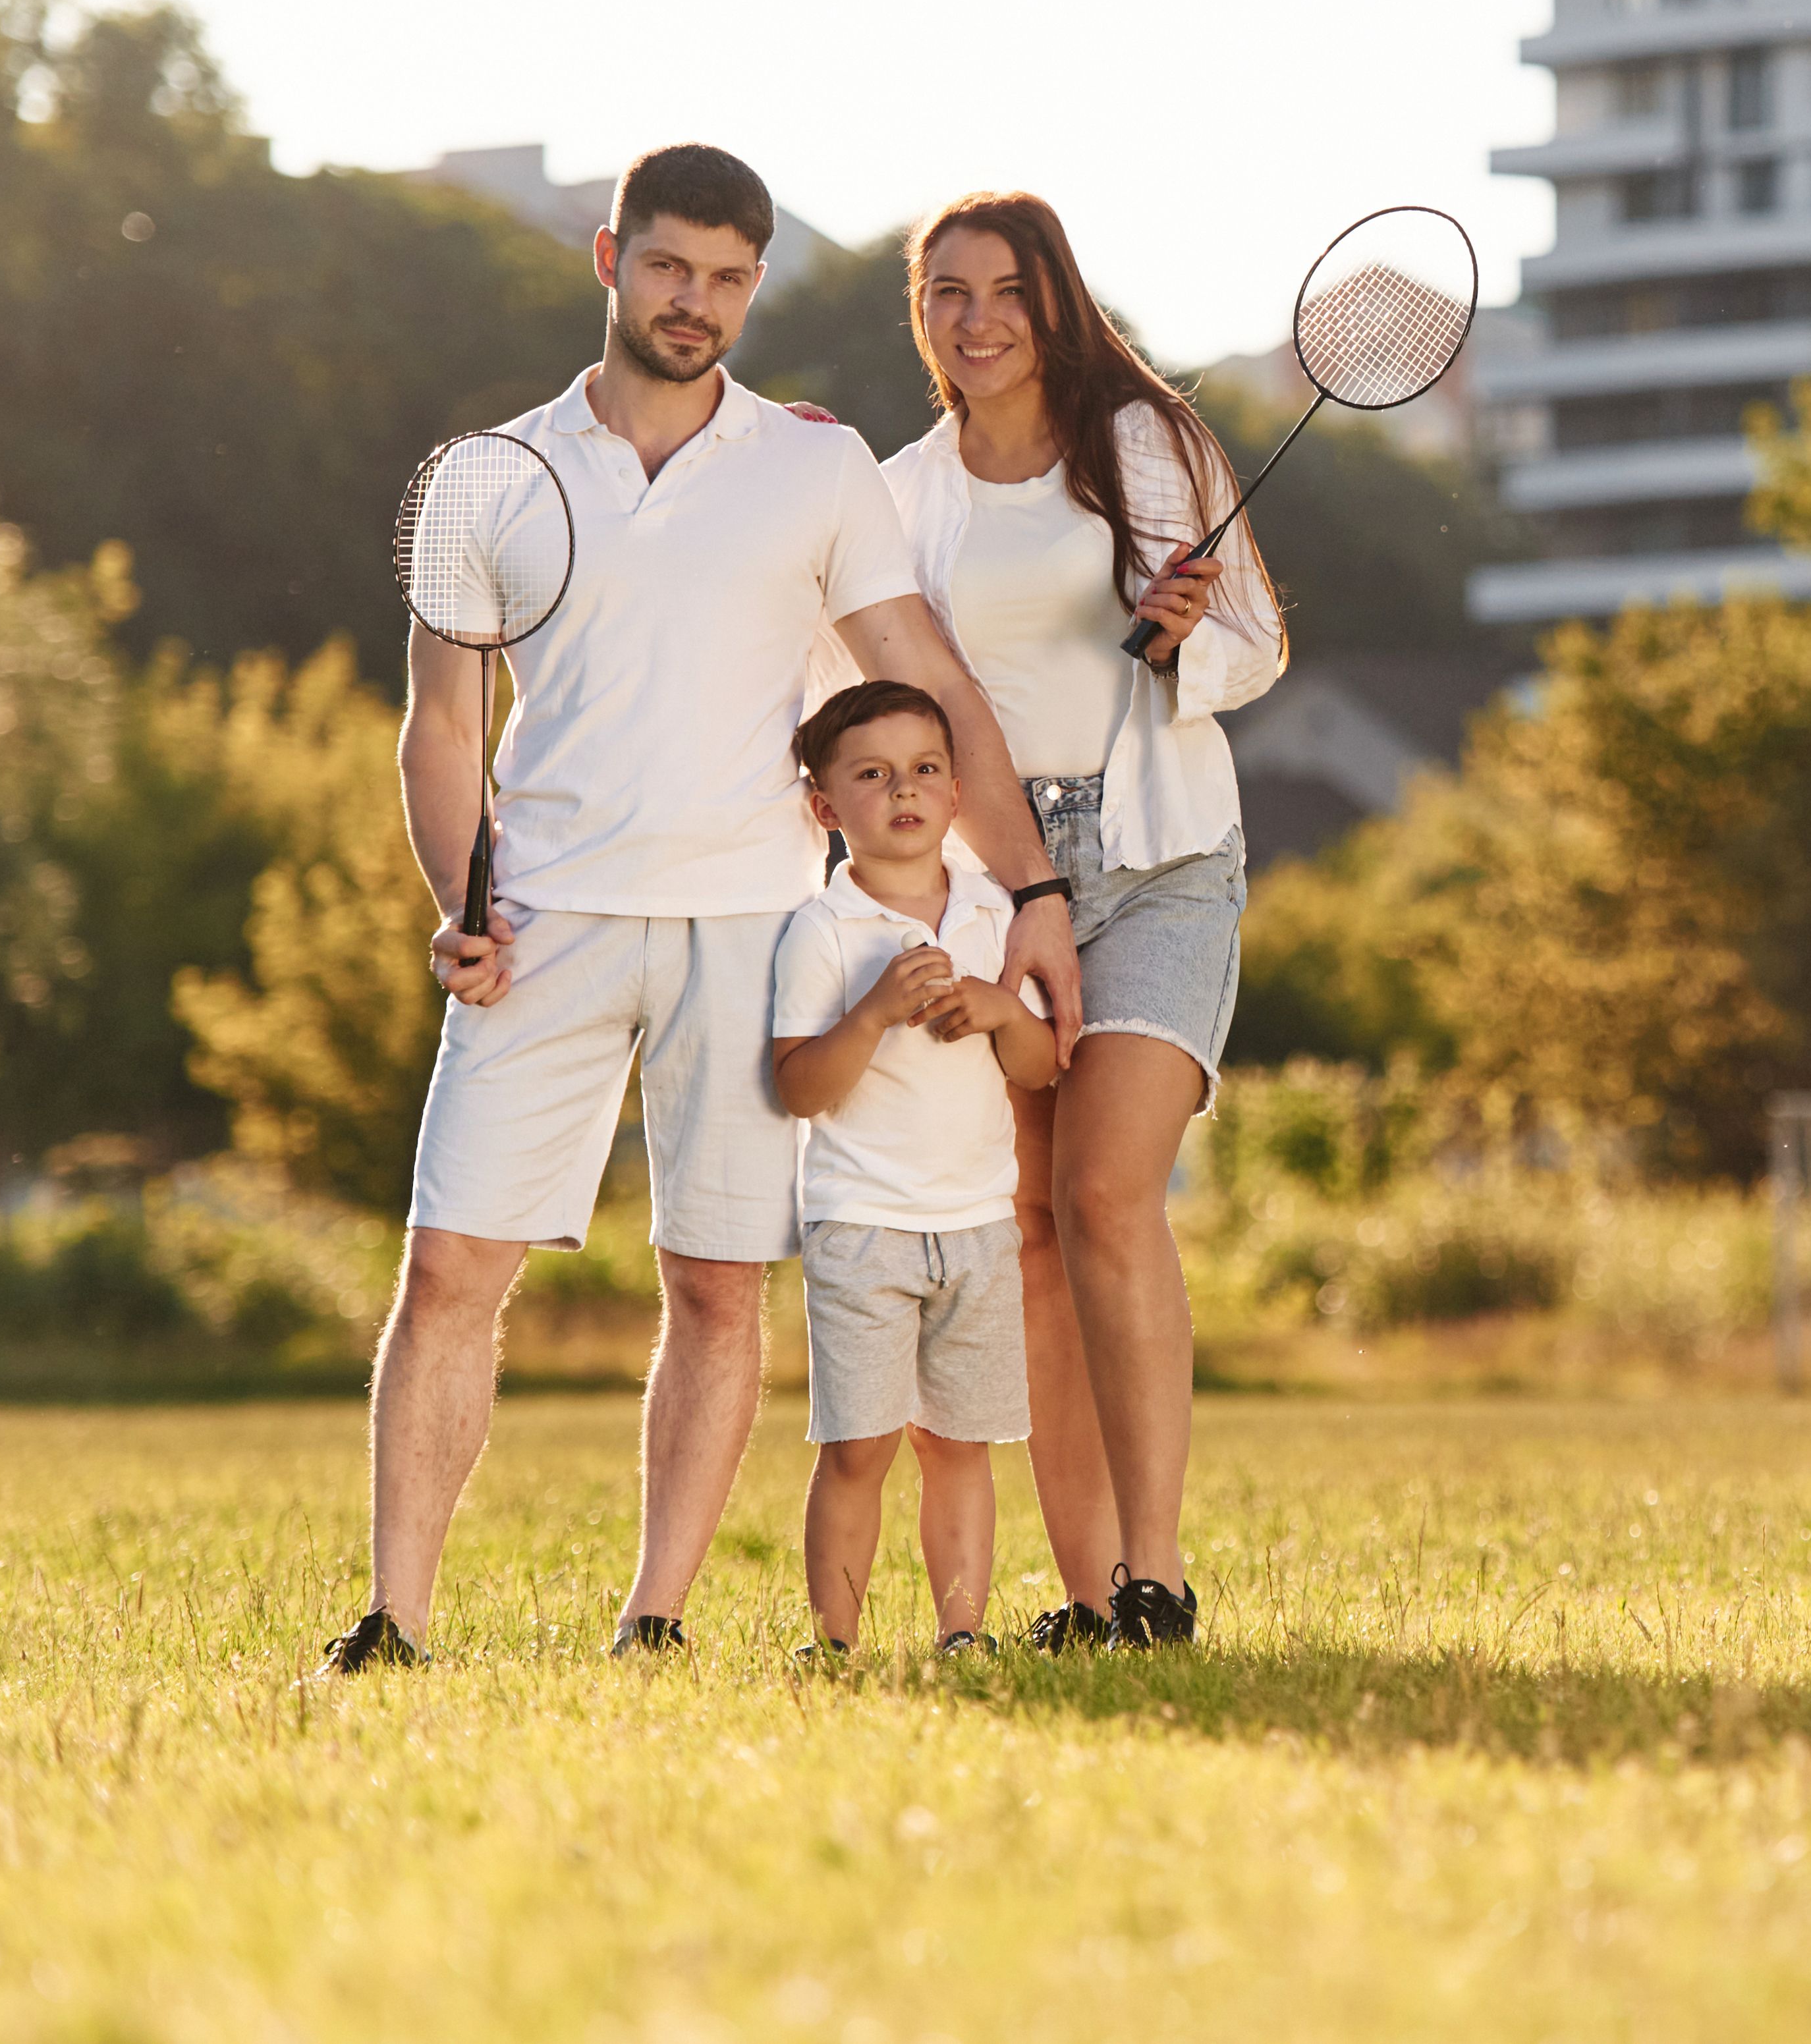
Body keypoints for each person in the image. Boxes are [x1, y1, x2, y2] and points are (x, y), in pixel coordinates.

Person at [314, 145, 1080, 1677]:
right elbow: (443, 732)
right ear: (611, 260)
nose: (700, 304)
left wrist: (1036, 888)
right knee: (452, 1270)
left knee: (718, 1283)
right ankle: (393, 1621)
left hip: (751, 927)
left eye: (732, 279)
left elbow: (926, 676)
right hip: (545, 922)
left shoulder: (813, 465)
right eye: (672, 269)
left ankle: (652, 1620)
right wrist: (457, 901)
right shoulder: (493, 474)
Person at [879, 190, 1279, 1651]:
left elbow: (1256, 640)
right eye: (944, 294)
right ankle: (1092, 1590)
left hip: (1163, 856)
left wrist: (1186, 643)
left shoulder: (1149, 445)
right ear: (918, 315)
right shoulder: (900, 491)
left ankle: (1159, 1576)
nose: (973, 320)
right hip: (997, 877)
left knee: (1110, 1198)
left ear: (1054, 302)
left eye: (1001, 291)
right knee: (1036, 1232)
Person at [770, 680, 1057, 1659]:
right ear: (825, 806)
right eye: (873, 774)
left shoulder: (989, 911)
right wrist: (872, 1012)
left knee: (960, 1446)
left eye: (925, 770)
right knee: (858, 1445)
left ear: (956, 789)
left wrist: (1005, 1011)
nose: (904, 791)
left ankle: (963, 1635)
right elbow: (801, 1089)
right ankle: (835, 1642)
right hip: (861, 1227)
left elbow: (1041, 1068)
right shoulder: (822, 931)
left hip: (978, 1225)